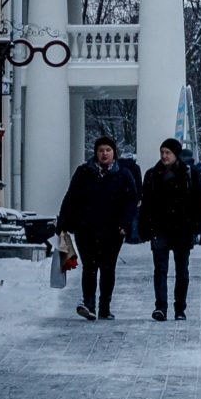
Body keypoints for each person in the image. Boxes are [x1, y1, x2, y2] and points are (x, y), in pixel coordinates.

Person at [57, 136, 140, 321]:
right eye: (101, 150)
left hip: (113, 230)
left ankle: (105, 306)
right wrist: (63, 222)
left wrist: (125, 224)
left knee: (108, 268)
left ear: (114, 153)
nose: (104, 154)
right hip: (86, 228)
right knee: (90, 266)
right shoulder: (84, 172)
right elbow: (71, 197)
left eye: (108, 150)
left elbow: (131, 202)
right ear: (96, 152)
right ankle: (89, 303)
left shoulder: (123, 174)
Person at [139, 138, 200, 322]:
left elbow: (198, 202)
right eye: (162, 152)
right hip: (160, 228)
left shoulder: (189, 174)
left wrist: (196, 226)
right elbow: (146, 203)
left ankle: (180, 307)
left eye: (168, 153)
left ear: (176, 154)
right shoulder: (152, 175)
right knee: (160, 270)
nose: (164, 156)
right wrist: (144, 227)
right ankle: (161, 307)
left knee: (182, 271)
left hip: (182, 229)